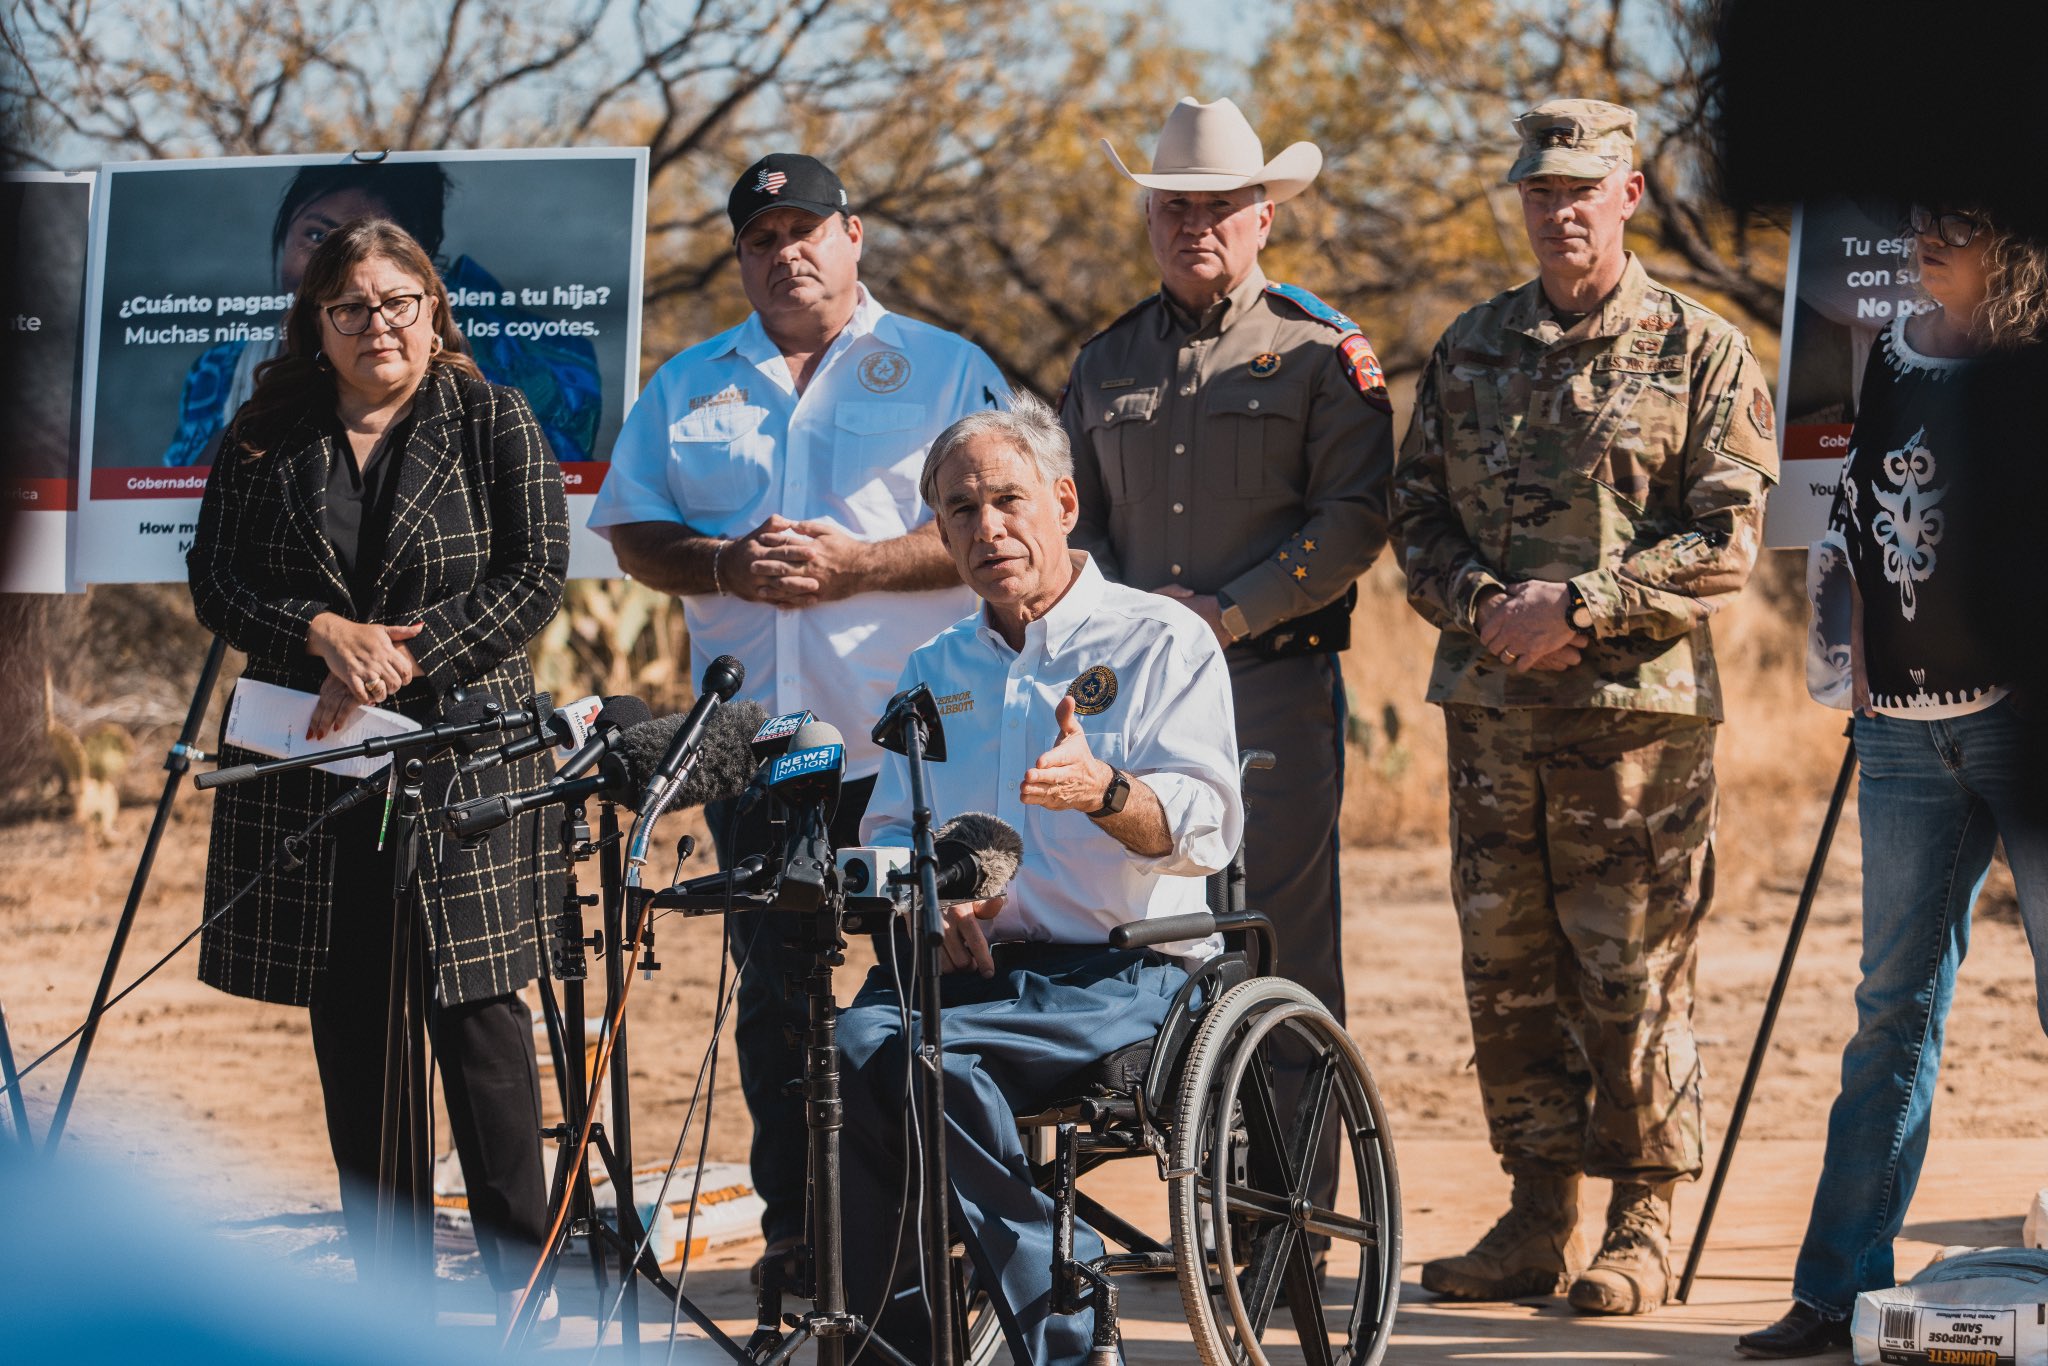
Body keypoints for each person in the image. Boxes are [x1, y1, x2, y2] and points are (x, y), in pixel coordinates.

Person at [587, 152, 1008, 1271]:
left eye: (805, 229)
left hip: (918, 743)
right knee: (778, 1004)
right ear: (741, 257)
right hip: (762, 754)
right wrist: (724, 564)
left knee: (930, 989)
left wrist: (862, 564)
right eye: (762, 238)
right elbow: (633, 533)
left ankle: (929, 1238)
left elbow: (1001, 531)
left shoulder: (940, 367)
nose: (786, 253)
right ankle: (800, 1238)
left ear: (853, 235)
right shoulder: (689, 383)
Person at [1391, 98, 1777, 1315]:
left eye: (1579, 188)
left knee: (1631, 972)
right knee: (1506, 971)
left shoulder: (1698, 348)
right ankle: (1532, 1215)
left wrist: (1583, 605)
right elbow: (1414, 519)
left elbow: (1726, 537)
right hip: (1493, 714)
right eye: (1537, 191)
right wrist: (1485, 607)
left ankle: (1642, 1220)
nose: (1556, 211)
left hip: (1635, 722)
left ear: (1629, 193)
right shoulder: (1467, 347)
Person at [186, 217, 569, 1333]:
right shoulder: (266, 436)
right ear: (317, 322)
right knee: (355, 1031)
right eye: (350, 308)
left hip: (464, 762)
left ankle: (524, 1300)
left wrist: (399, 653)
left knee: (482, 1031)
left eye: (398, 301)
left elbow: (535, 573)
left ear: (431, 307)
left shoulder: (492, 416)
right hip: (316, 763)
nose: (377, 326)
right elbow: (215, 582)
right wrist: (316, 629)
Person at [836, 392, 1243, 1364]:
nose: (987, 528)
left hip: (1127, 971)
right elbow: (891, 832)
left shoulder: (1157, 640)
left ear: (1062, 501)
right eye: (960, 511)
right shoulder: (930, 668)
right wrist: (933, 904)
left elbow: (1209, 830)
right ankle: (891, 1347)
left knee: (927, 1059)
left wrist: (1106, 790)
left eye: (1006, 500)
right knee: (856, 1044)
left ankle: (1062, 1327)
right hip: (978, 973)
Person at [1059, 95, 1395, 1235]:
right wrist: (1127, 616)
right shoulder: (1104, 362)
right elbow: (1077, 525)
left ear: (1263, 217)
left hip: (1270, 689)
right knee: (1157, 933)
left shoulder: (1316, 352)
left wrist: (1227, 615)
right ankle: (1203, 1199)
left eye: (1219, 207)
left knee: (1279, 939)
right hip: (1135, 708)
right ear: (1150, 220)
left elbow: (1355, 517)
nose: (1194, 225)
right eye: (1174, 208)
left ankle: (1289, 1219)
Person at [1737, 205, 2048, 1359]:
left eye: (1956, 223)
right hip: (1905, 734)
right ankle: (1834, 1292)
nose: (1926, 240)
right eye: (1919, 220)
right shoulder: (1894, 355)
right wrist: (1861, 670)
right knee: (1889, 1012)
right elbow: (1862, 520)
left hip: (2023, 724)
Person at [163, 161, 601, 467]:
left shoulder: (504, 399)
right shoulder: (225, 373)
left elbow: (531, 561)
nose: (336, 264)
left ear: (424, 273)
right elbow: (216, 554)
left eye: (372, 240)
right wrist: (258, 424)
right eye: (316, 235)